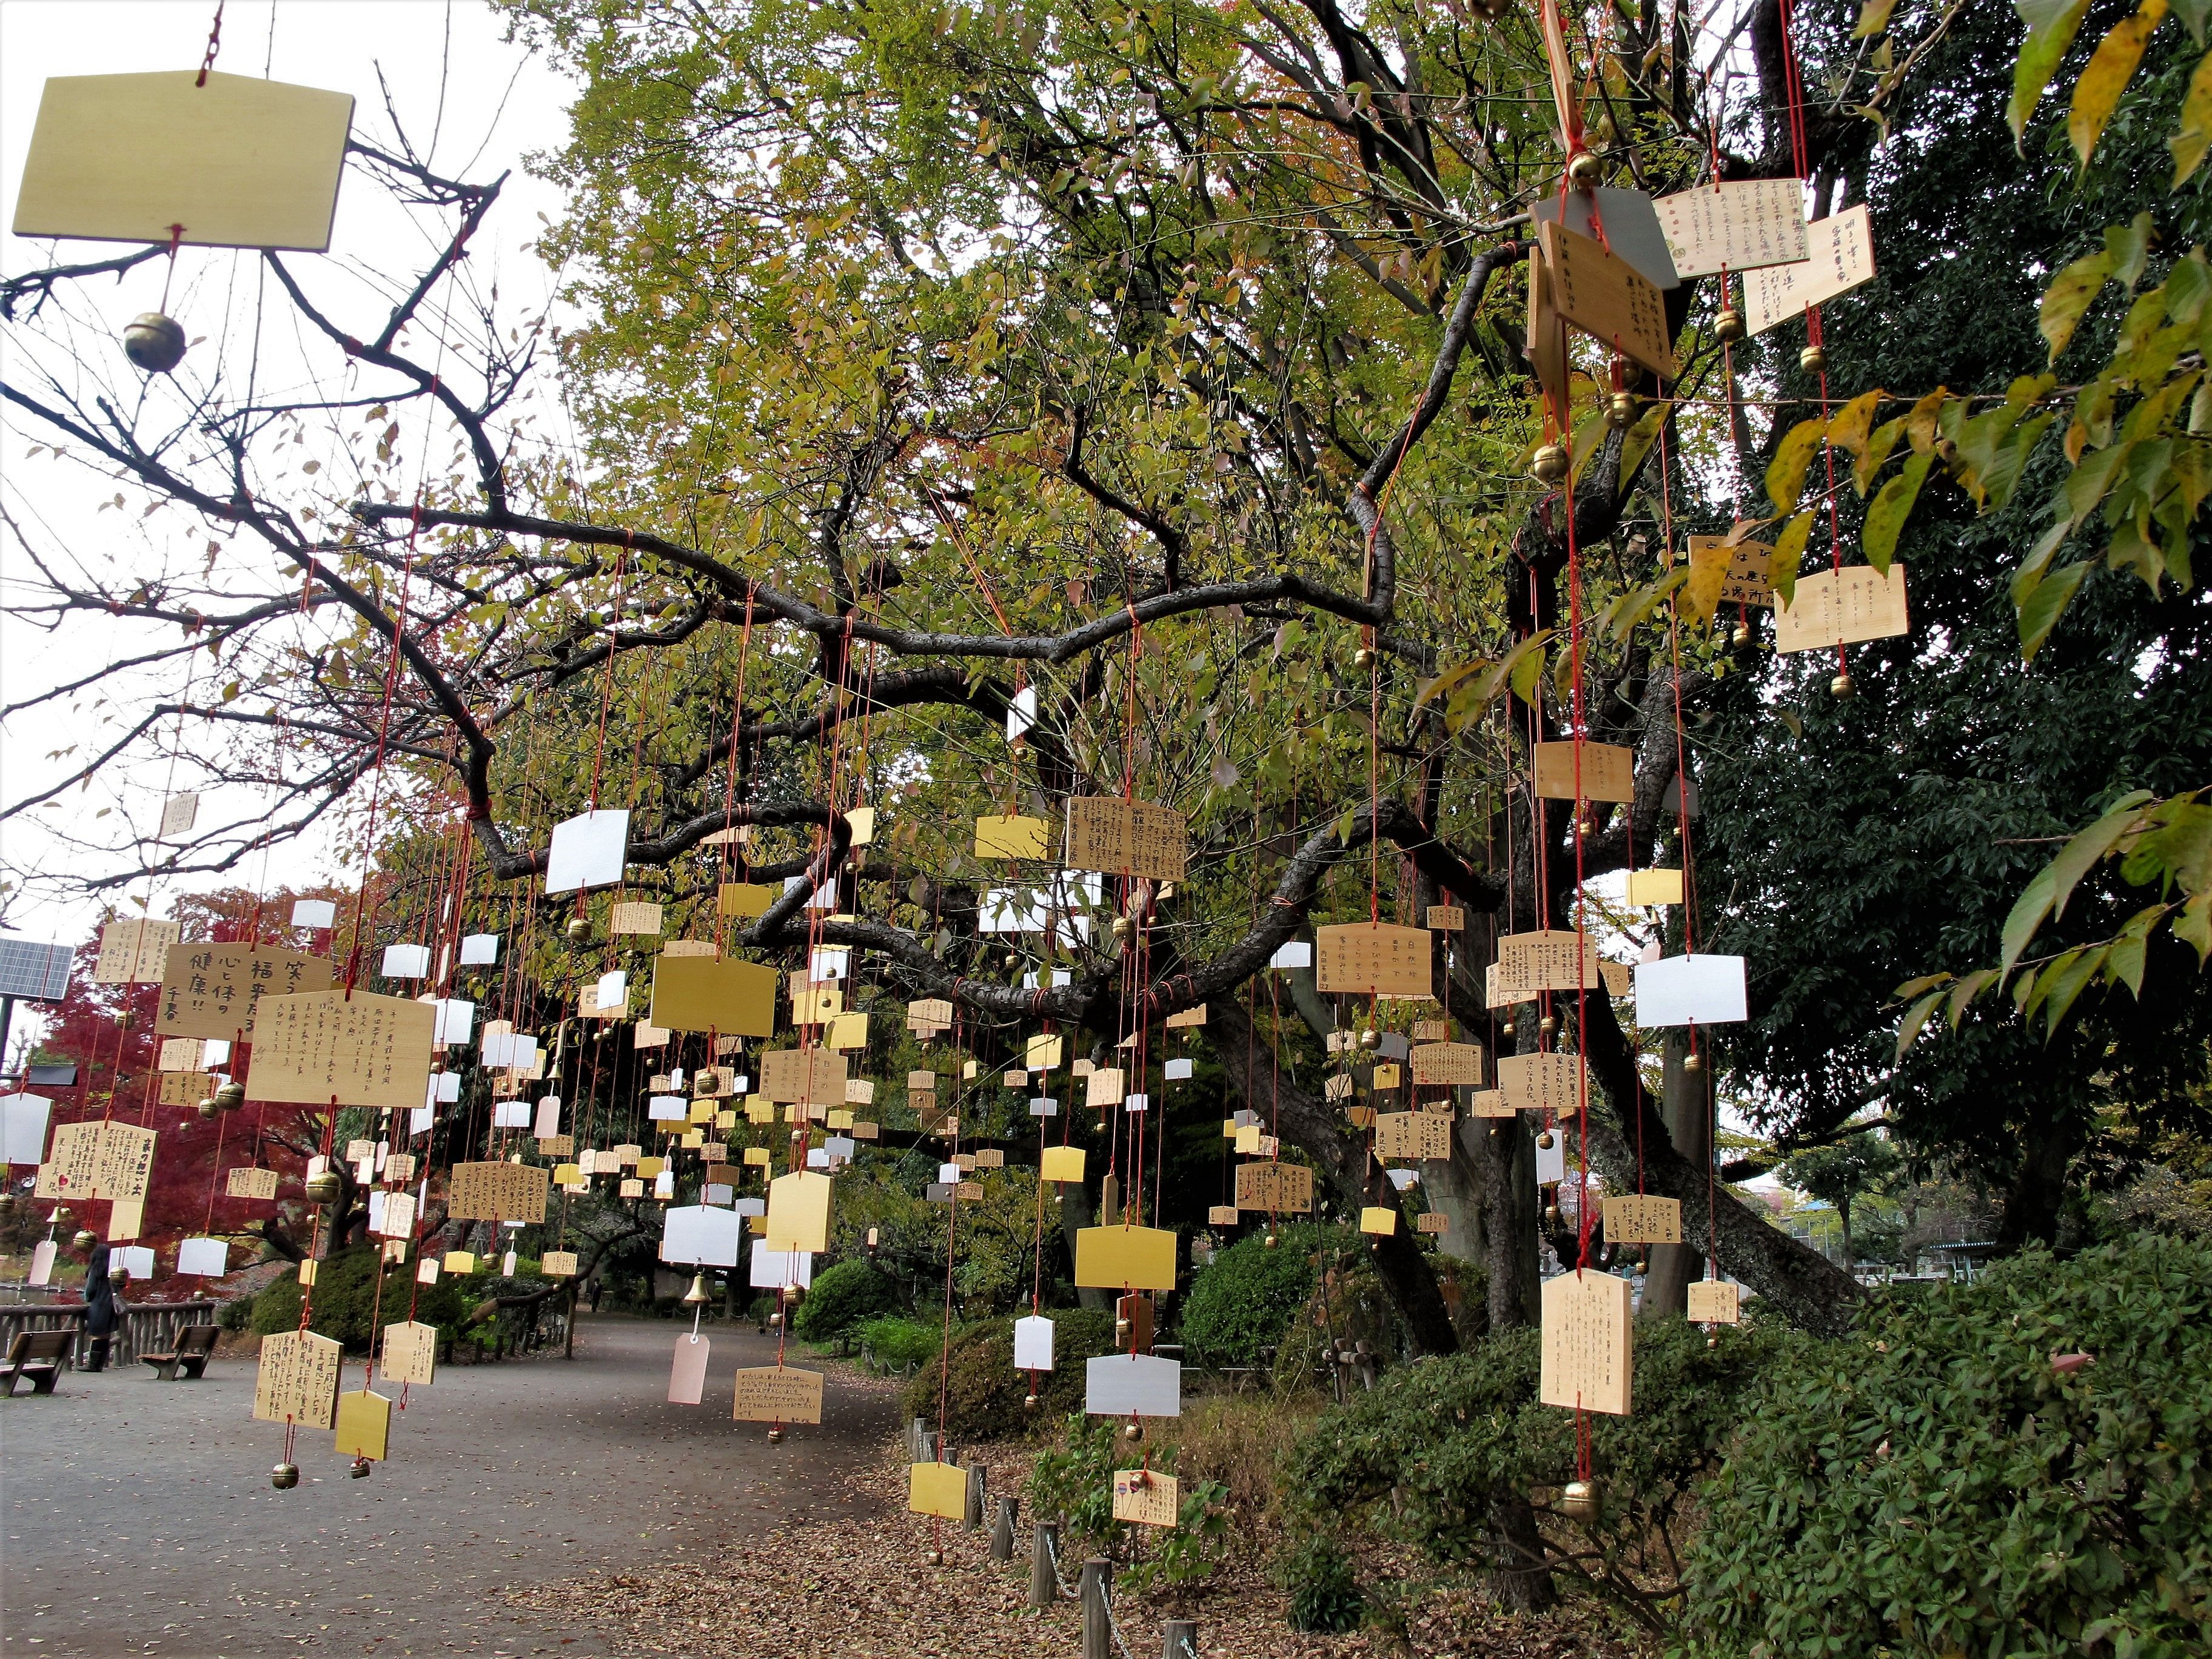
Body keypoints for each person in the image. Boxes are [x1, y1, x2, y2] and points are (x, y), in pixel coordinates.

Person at [74, 1231, 118, 1371]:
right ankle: (99, 1364)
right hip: (111, 1304)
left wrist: (86, 1298)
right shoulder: (114, 1272)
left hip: (99, 1304)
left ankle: (93, 1365)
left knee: (97, 1335)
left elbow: (90, 1290)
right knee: (105, 1335)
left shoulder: (96, 1270)